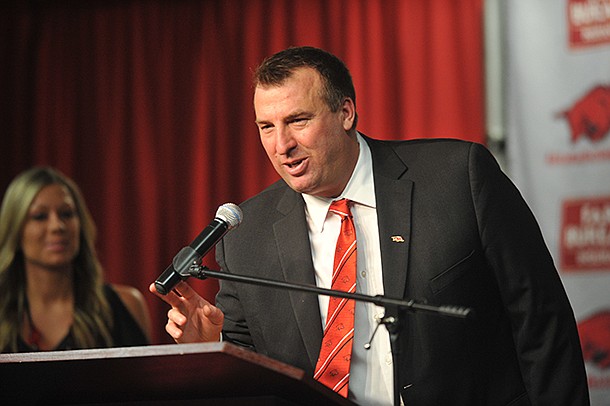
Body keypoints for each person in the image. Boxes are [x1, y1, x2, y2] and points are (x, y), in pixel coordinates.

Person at [150, 46, 589, 405]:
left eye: (297, 121)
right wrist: (215, 346)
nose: (281, 145)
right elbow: (256, 368)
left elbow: (541, 322)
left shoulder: (457, 177)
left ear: (345, 113)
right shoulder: (248, 234)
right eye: (266, 126)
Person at [0, 166, 151, 353]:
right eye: (40, 216)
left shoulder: (125, 305)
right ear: (15, 229)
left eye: (67, 214)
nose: (57, 226)